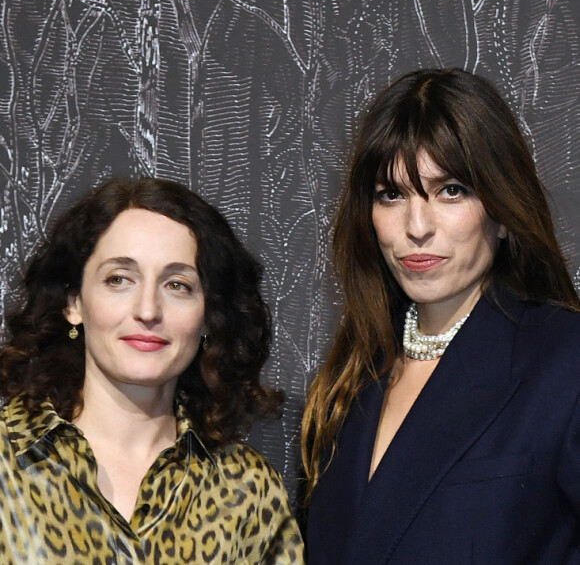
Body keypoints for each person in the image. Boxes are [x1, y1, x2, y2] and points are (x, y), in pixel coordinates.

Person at [302, 68, 580, 564]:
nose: (417, 227)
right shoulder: (346, 382)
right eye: (392, 194)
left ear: (501, 211)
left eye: (451, 190)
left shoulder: (564, 359)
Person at [0, 177, 304, 564]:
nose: (148, 310)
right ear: (73, 302)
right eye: (119, 280)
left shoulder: (248, 488)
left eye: (177, 285)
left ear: (209, 315)